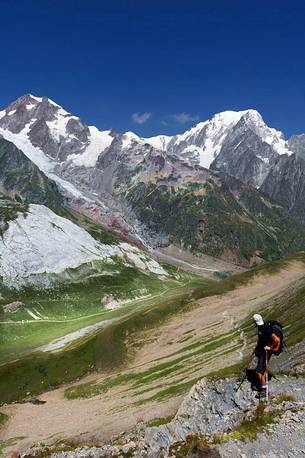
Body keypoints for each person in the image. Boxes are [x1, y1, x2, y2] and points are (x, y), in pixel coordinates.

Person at [252, 313, 281, 398]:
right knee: (263, 369)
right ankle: (262, 383)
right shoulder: (262, 327)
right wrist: (257, 347)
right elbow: (262, 340)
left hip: (266, 352)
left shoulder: (266, 329)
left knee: (258, 371)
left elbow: (277, 339)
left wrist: (270, 347)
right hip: (262, 351)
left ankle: (264, 390)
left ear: (254, 321)